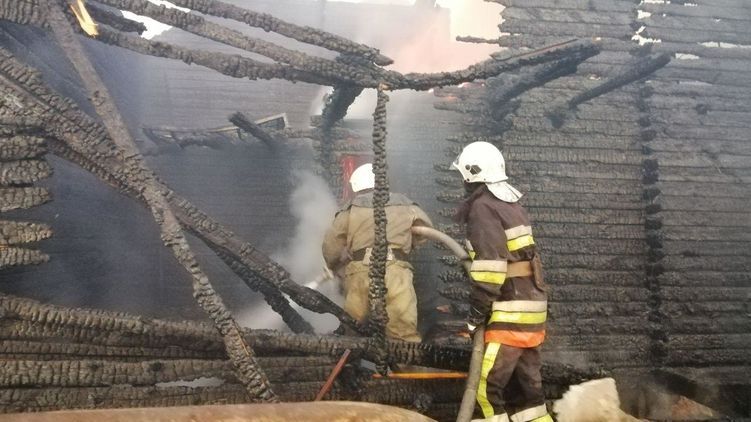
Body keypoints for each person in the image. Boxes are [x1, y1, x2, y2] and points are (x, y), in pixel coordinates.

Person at [452, 142, 552, 422]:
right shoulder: (511, 205)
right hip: (531, 311)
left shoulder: (483, 208)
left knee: (485, 392)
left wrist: (475, 315)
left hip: (509, 314)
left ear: (471, 174)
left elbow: (490, 271)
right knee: (528, 396)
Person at [322, 163, 433, 342]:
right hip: (396, 271)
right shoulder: (405, 204)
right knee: (401, 332)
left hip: (360, 272)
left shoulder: (351, 209)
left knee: (353, 329)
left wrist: (333, 265)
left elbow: (331, 244)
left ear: (357, 187)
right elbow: (425, 230)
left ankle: (350, 358)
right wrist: (407, 244)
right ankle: (403, 359)